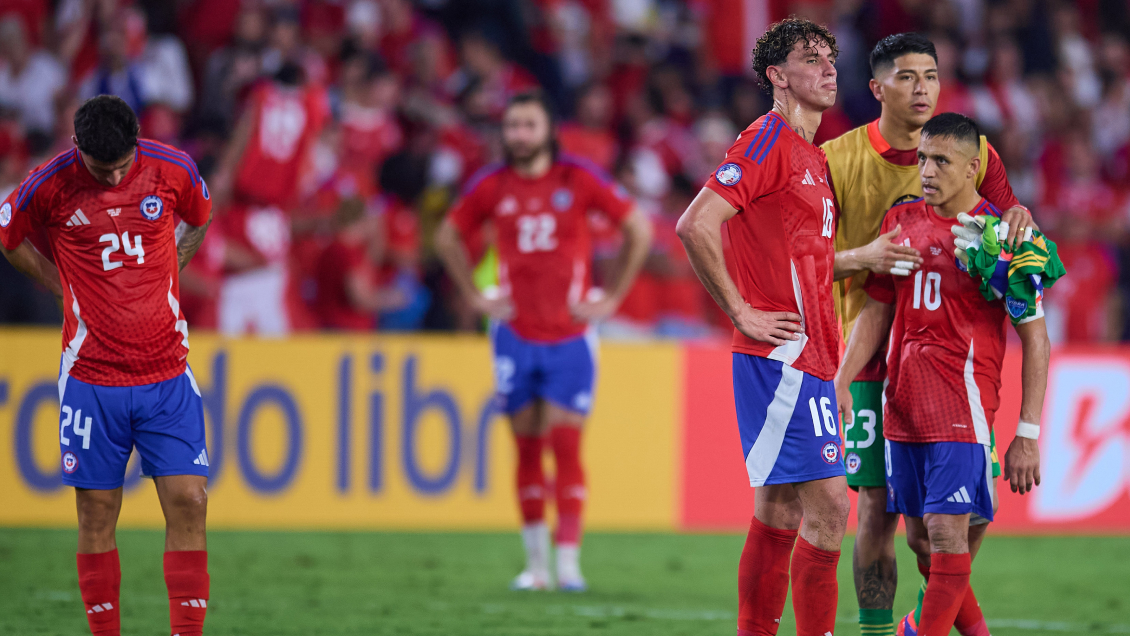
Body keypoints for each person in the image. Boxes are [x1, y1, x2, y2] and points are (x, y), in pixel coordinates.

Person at [822, 33, 1038, 636]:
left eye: (932, 76)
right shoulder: (838, 157)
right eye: (908, 76)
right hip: (868, 348)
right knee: (875, 505)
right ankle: (875, 626)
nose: (922, 88)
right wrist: (860, 257)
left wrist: (1021, 218)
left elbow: (1003, 226)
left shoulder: (976, 149)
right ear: (878, 88)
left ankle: (927, 623)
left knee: (945, 528)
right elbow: (805, 253)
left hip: (954, 364)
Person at [0, 95, 212, 636]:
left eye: (122, 163)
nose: (115, 175)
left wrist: (174, 262)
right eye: (102, 168)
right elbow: (8, 235)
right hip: (92, 378)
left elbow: (199, 216)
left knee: (189, 500)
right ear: (78, 150)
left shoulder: (173, 169)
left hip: (167, 371)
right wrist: (56, 282)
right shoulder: (48, 184)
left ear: (136, 142)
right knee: (97, 511)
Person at [434, 90, 652, 591]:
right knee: (527, 450)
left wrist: (611, 297)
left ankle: (569, 564)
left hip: (570, 336)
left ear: (549, 130)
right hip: (513, 333)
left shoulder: (576, 179)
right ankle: (535, 567)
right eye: (511, 126)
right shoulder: (491, 185)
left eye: (528, 125)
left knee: (565, 445)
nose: (518, 135)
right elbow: (448, 235)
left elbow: (637, 228)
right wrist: (473, 294)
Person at [677, 18, 850, 635]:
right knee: (830, 508)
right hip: (780, 357)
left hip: (812, 357)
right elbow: (696, 223)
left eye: (832, 57)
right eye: (812, 59)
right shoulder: (769, 138)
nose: (829, 68)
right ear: (777, 77)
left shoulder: (811, 157)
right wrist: (741, 311)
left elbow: (807, 263)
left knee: (780, 510)